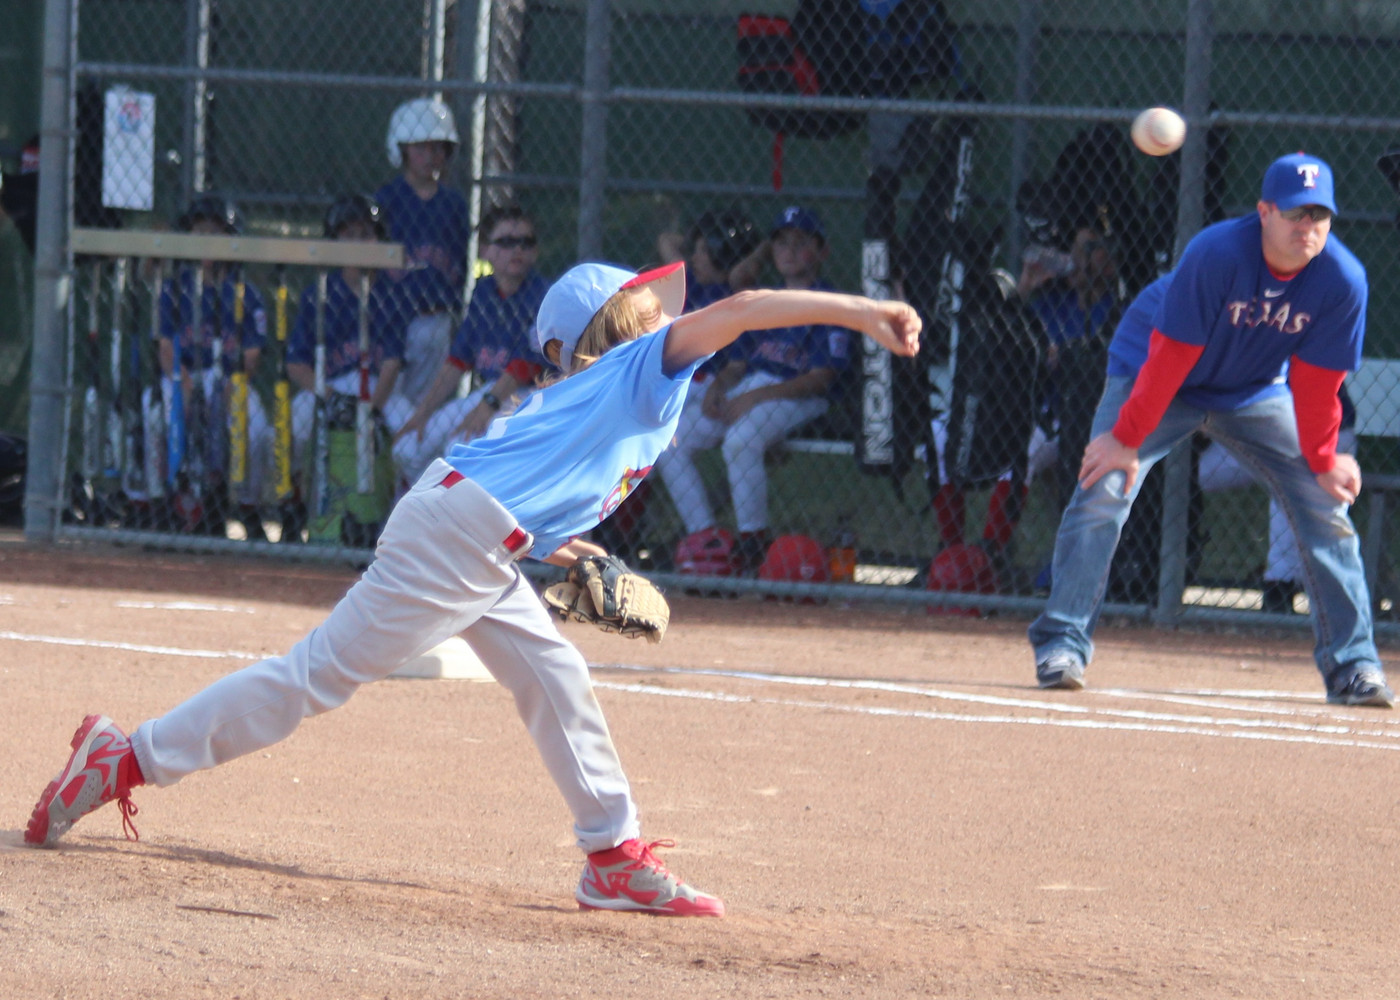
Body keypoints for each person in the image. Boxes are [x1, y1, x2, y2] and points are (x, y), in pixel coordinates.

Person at [22, 259, 922, 917]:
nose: (661, 309)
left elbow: (519, 493)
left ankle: (612, 855)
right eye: (643, 303)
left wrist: (572, 556)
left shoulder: (588, 392)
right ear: (614, 327)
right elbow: (747, 309)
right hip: (457, 542)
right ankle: (126, 756)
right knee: (313, 679)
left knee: (555, 676)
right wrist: (867, 312)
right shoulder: (644, 368)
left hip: (474, 536)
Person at [1028, 152, 1394, 708]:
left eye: (1319, 215)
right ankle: (1062, 645)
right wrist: (1125, 439)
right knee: (1105, 486)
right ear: (1264, 212)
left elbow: (1318, 386)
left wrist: (1322, 461)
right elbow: (1170, 360)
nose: (1307, 226)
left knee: (1324, 505)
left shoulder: (1343, 280)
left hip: (1251, 389)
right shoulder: (1218, 253)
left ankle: (1354, 665)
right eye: (1295, 213)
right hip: (1156, 373)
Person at [657, 205, 855, 572]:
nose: (789, 251)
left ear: (823, 251)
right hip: (752, 389)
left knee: (740, 440)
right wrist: (718, 387)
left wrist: (754, 397)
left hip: (799, 396)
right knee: (671, 441)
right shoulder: (765, 300)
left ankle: (753, 543)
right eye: (781, 243)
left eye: (801, 243)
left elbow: (821, 378)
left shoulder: (830, 303)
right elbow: (737, 364)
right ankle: (707, 541)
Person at [281, 194, 415, 541]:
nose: (357, 243)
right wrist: (330, 397)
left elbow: (392, 363)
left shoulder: (392, 293)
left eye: (365, 234)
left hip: (382, 390)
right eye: (348, 234)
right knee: (291, 427)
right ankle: (293, 509)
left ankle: (404, 525)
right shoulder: (319, 292)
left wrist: (372, 409)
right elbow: (296, 364)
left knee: (412, 444)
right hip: (331, 387)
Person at [392, 204, 548, 484]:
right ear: (484, 250)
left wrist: (486, 407)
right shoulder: (484, 292)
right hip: (489, 392)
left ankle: (460, 508)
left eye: (526, 242)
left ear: (535, 251)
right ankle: (423, 502)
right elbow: (458, 360)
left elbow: (526, 366)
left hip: (527, 395)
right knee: (407, 447)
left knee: (459, 448)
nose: (517, 249)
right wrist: (422, 414)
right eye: (506, 242)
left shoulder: (542, 295)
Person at [154, 195, 270, 539]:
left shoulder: (246, 293)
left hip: (231, 378)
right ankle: (156, 504)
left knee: (257, 430)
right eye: (200, 231)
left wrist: (233, 383)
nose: (207, 239)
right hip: (183, 375)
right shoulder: (174, 289)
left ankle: (247, 506)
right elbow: (165, 348)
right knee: (155, 416)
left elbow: (252, 354)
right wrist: (184, 384)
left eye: (216, 232)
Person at [374, 98, 471, 412]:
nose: (431, 156)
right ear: (401, 150)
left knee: (423, 406)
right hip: (389, 317)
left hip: (435, 316)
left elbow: (459, 264)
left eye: (438, 148)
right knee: (389, 401)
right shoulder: (385, 201)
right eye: (421, 148)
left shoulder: (453, 205)